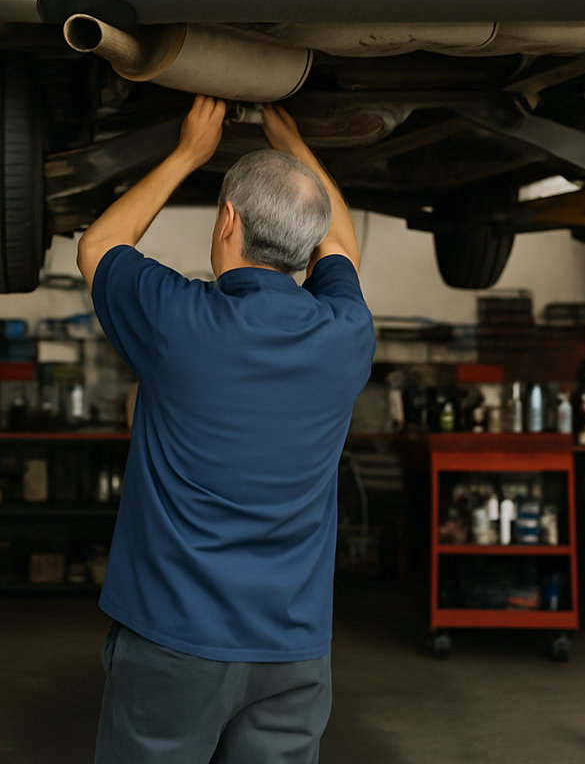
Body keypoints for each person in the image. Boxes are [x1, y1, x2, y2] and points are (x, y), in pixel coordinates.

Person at [76, 94, 377, 764]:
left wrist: (188, 153)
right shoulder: (347, 334)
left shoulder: (176, 322)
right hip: (294, 652)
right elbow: (343, 249)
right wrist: (294, 143)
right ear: (308, 248)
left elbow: (99, 244)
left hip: (175, 640)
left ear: (227, 221)